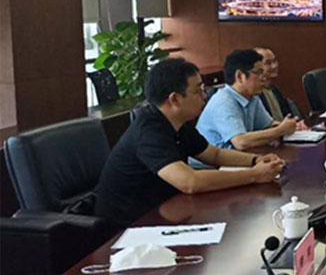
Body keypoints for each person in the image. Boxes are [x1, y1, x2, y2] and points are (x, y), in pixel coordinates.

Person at [94, 58, 284, 229]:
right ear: (175, 99)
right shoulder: (149, 130)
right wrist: (254, 175)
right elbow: (190, 182)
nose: (204, 96)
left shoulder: (178, 122)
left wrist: (255, 160)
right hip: (126, 227)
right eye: (197, 91)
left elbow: (214, 154)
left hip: (164, 211)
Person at [196, 49, 303, 150]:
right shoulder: (223, 102)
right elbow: (241, 141)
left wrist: (292, 126)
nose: (264, 77)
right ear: (240, 76)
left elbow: (267, 126)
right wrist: (280, 130)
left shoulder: (252, 97)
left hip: (238, 157)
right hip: (213, 162)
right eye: (259, 72)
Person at [254, 46, 302, 120]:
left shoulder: (275, 90)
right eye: (268, 63)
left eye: (274, 61)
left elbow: (288, 116)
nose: (274, 66)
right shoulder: (255, 95)